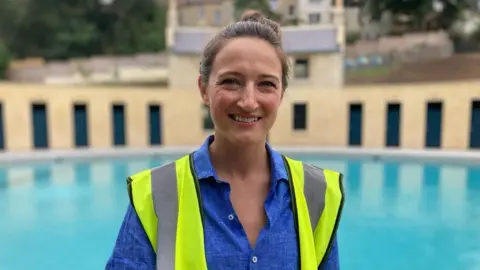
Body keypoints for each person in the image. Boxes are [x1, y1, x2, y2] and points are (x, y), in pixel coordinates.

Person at [106, 10, 345, 270]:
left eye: (266, 84)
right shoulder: (156, 196)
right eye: (231, 82)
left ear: (282, 94)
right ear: (204, 89)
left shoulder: (317, 193)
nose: (248, 101)